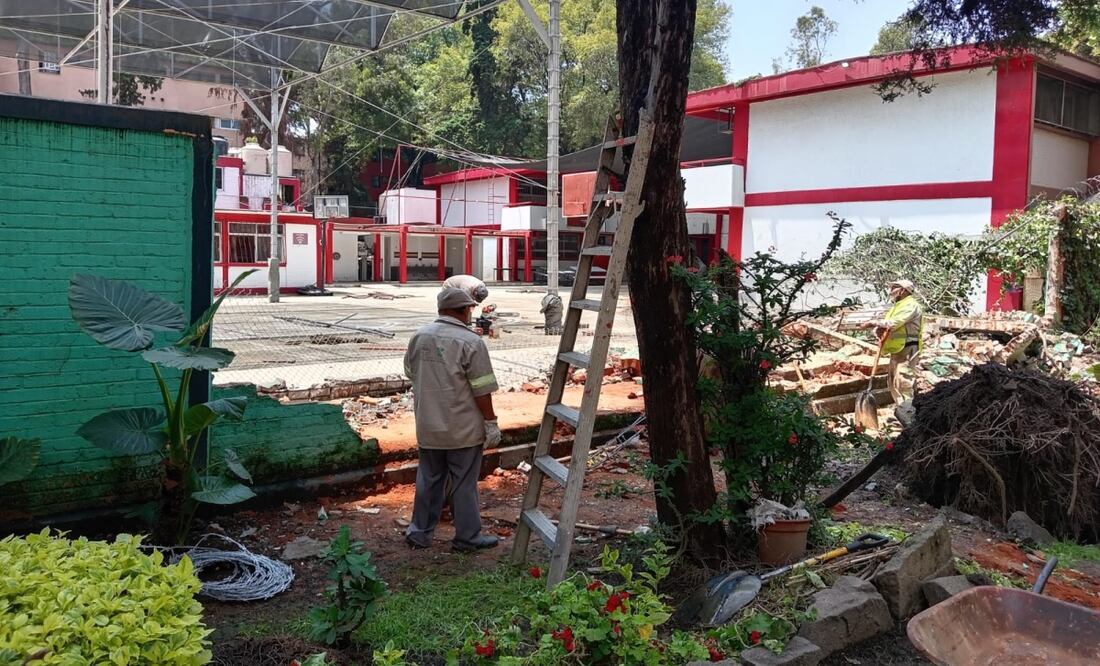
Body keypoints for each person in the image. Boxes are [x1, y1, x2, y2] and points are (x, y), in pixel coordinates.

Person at [403, 287, 502, 552]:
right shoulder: (470, 342)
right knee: (464, 484)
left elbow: (411, 372)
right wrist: (490, 422)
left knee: (429, 480)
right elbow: (482, 389)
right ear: (464, 310)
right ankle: (468, 537)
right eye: (470, 308)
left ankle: (419, 533)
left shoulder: (419, 337)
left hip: (428, 426)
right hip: (462, 429)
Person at [864, 279, 924, 404]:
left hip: (907, 348)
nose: (891, 291)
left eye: (894, 288)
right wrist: (877, 330)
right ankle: (902, 410)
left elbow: (894, 322)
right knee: (893, 382)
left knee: (904, 382)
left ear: (903, 290)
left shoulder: (910, 305)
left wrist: (873, 322)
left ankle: (910, 415)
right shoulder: (898, 306)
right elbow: (886, 326)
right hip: (897, 349)